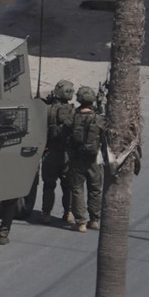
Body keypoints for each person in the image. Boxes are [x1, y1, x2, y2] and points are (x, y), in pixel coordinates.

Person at [67, 85, 105, 233]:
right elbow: (104, 136)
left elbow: (65, 130)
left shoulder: (74, 117)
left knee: (77, 190)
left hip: (77, 158)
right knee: (95, 189)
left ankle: (81, 222)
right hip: (94, 159)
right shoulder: (98, 118)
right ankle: (94, 220)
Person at [39, 79, 76, 224]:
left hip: (50, 153)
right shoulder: (74, 112)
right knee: (68, 186)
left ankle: (46, 213)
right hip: (67, 154)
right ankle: (69, 213)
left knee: (49, 185)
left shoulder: (47, 110)